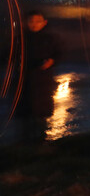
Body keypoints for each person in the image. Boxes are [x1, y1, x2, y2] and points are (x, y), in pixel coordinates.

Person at [14, 10, 61, 143]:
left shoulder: (50, 39)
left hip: (42, 82)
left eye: (38, 21)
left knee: (41, 117)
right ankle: (25, 146)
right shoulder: (21, 39)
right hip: (24, 82)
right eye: (31, 21)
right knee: (25, 118)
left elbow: (59, 53)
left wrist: (52, 61)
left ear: (44, 23)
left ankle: (41, 143)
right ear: (26, 23)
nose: (34, 24)